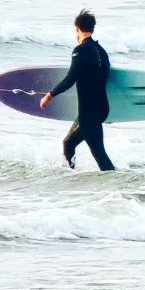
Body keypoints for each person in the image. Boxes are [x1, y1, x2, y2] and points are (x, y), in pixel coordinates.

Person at [40, 9, 115, 171]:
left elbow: (70, 78)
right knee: (68, 143)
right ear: (92, 28)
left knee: (99, 155)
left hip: (89, 112)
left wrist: (49, 95)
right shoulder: (101, 51)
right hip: (101, 108)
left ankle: (118, 186)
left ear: (77, 29)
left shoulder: (80, 50)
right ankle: (70, 175)